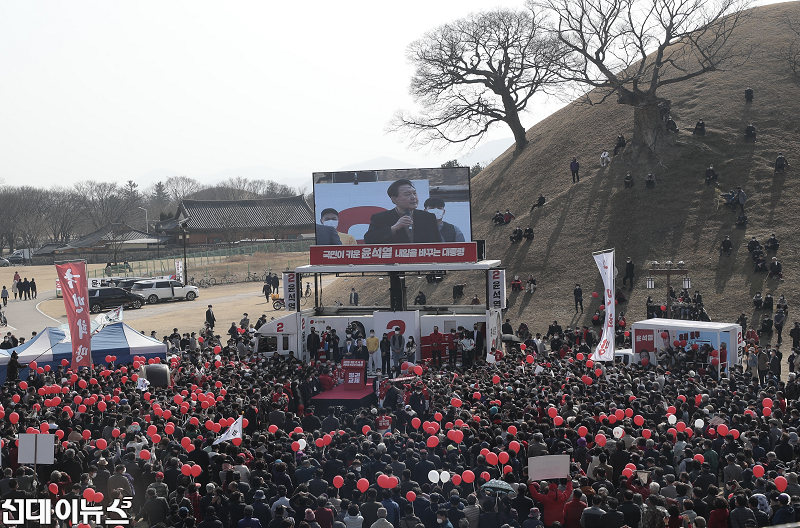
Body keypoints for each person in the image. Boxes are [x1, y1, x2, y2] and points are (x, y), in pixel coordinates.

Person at [363, 179, 443, 244]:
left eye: (415, 193)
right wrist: (392, 229)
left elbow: (438, 243)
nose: (413, 197)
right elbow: (369, 240)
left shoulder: (428, 217)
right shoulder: (380, 218)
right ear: (394, 199)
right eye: (407, 194)